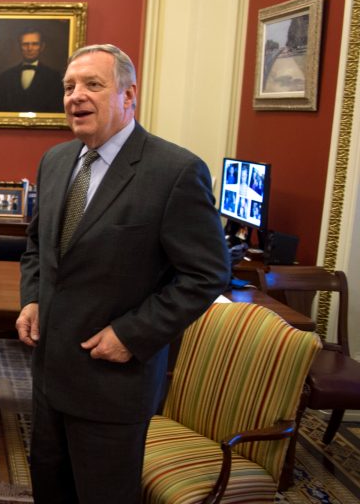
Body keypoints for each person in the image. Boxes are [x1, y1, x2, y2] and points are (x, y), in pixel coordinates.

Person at [15, 44, 230, 503]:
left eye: (93, 84)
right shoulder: (55, 161)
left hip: (112, 384)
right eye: (69, 87)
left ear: (129, 95)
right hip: (50, 378)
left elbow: (207, 274)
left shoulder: (174, 171)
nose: (76, 96)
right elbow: (38, 246)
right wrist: (32, 298)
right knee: (50, 492)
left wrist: (132, 335)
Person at [0, 28, 64, 113]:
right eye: (25, 44)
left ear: (42, 47)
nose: (30, 48)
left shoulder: (54, 77)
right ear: (19, 46)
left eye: (35, 44)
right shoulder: (5, 77)